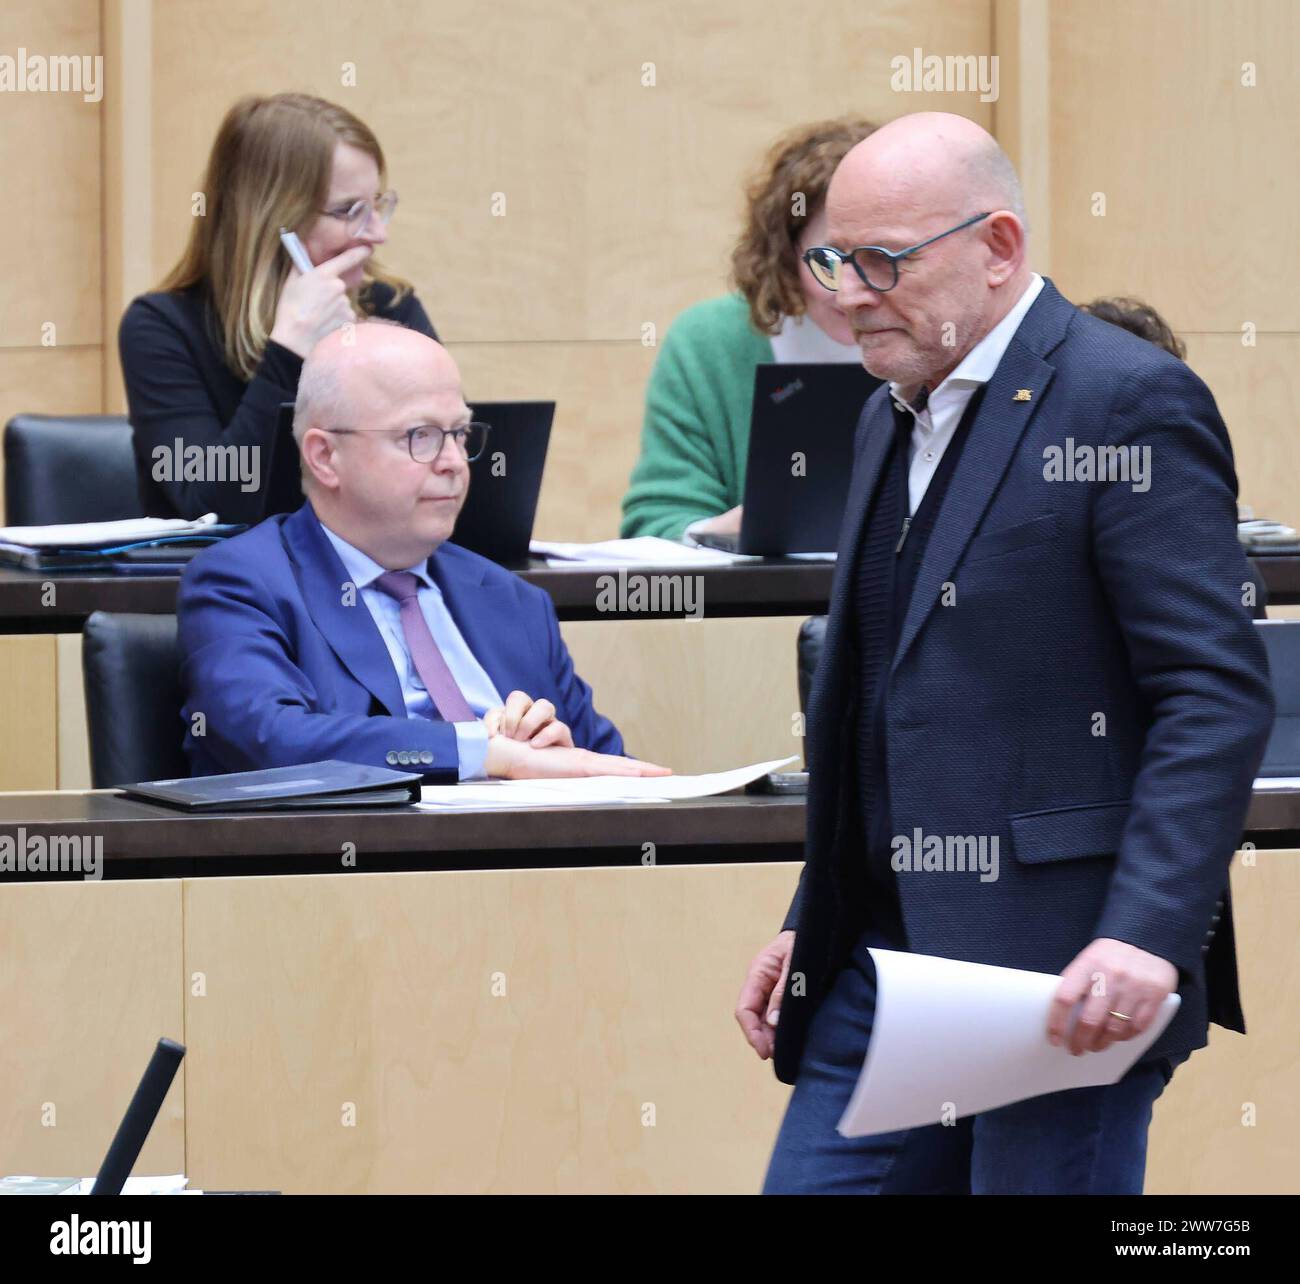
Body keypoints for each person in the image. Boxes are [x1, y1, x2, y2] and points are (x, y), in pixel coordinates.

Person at [733, 112, 1274, 1194]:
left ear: (998, 249)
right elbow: (878, 708)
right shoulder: (885, 415)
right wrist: (815, 913)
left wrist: (1145, 933)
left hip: (1062, 977)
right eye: (836, 259)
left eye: (885, 261)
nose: (848, 293)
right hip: (880, 970)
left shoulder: (1124, 401)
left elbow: (1210, 695)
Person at [178, 320, 670, 784]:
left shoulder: (511, 600)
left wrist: (554, 747)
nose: (455, 462)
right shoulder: (242, 582)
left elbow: (607, 766)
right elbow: (271, 740)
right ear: (325, 456)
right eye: (421, 437)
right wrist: (483, 752)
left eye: (459, 434)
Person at [121, 92, 436, 524]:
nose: (377, 233)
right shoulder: (160, 328)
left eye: (378, 205)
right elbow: (213, 506)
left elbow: (444, 475)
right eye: (350, 210)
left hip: (375, 580)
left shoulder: (392, 309)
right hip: (235, 588)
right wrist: (290, 352)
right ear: (272, 221)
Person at [619, 117, 876, 543]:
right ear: (785, 253)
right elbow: (656, 523)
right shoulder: (711, 342)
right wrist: (730, 529)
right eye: (827, 260)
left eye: (875, 258)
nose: (850, 291)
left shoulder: (942, 331)